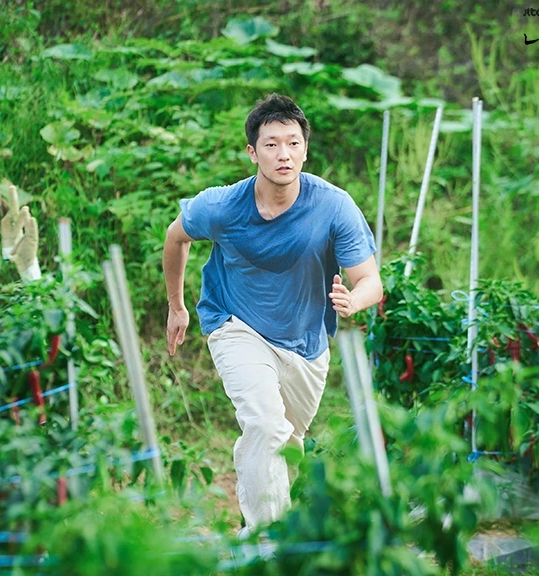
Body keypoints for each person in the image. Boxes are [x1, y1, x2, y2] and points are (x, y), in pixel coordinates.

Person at [162, 93, 383, 535]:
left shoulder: (334, 205)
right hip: (236, 325)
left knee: (286, 447)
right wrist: (177, 306)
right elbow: (175, 237)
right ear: (252, 152)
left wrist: (354, 300)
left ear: (305, 149)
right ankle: (268, 546)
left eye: (293, 143)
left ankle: (258, 523)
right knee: (265, 425)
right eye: (272, 144)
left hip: (306, 344)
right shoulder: (223, 206)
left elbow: (370, 281)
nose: (284, 154)